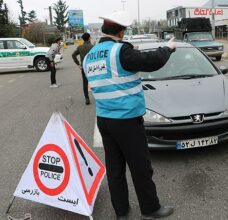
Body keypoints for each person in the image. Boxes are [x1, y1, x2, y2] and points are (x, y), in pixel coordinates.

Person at [83, 11, 176, 220]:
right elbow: (152, 61)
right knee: (140, 167)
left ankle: (121, 213)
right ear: (121, 31)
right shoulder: (121, 51)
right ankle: (150, 209)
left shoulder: (89, 56)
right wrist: (168, 48)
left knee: (115, 169)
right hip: (126, 120)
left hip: (104, 120)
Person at [72, 33, 94, 105]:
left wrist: (78, 64)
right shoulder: (93, 47)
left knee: (85, 83)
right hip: (93, 67)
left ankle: (87, 98)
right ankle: (98, 97)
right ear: (89, 38)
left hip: (84, 67)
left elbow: (73, 55)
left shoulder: (80, 47)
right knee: (95, 81)